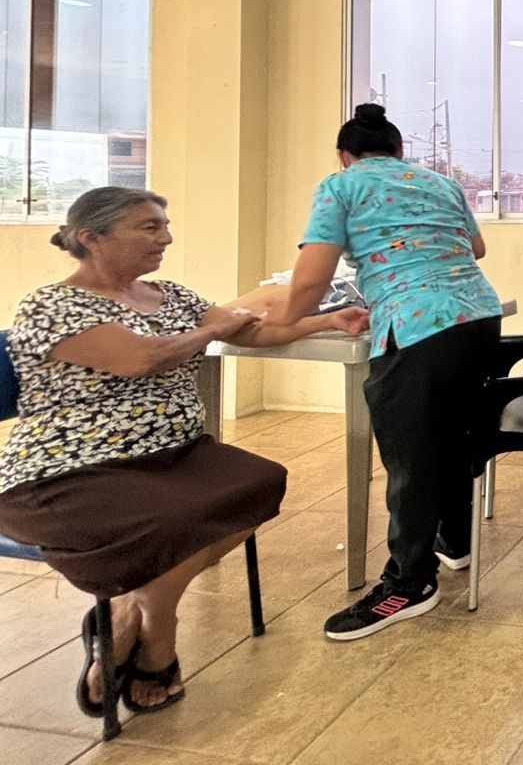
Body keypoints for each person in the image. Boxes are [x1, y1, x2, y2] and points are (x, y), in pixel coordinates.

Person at [0, 187, 366, 718]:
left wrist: (327, 321)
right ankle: (159, 637)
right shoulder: (51, 305)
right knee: (174, 522)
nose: (166, 238)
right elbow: (141, 359)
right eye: (149, 227)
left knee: (262, 480)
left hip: (176, 454)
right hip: (71, 468)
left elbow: (250, 330)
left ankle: (126, 612)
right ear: (91, 238)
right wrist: (212, 329)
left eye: (165, 225)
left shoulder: (168, 294)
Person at [268, 103, 503, 639]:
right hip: (478, 317)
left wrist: (283, 321)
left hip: (418, 326)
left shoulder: (341, 185)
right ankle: (454, 541)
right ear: (400, 151)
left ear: (344, 155)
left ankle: (409, 583)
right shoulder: (441, 183)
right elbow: (476, 247)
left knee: (411, 456)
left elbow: (311, 278)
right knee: (453, 435)